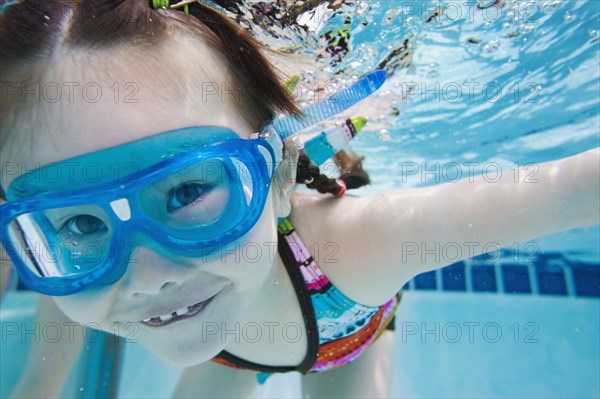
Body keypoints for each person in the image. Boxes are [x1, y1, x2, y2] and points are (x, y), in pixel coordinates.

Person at [0, 1, 598, 398]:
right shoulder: (89, 273)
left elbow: (573, 190)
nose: (146, 277)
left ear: (279, 171)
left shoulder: (359, 247)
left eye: (187, 190)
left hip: (337, 327)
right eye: (80, 223)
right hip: (222, 350)